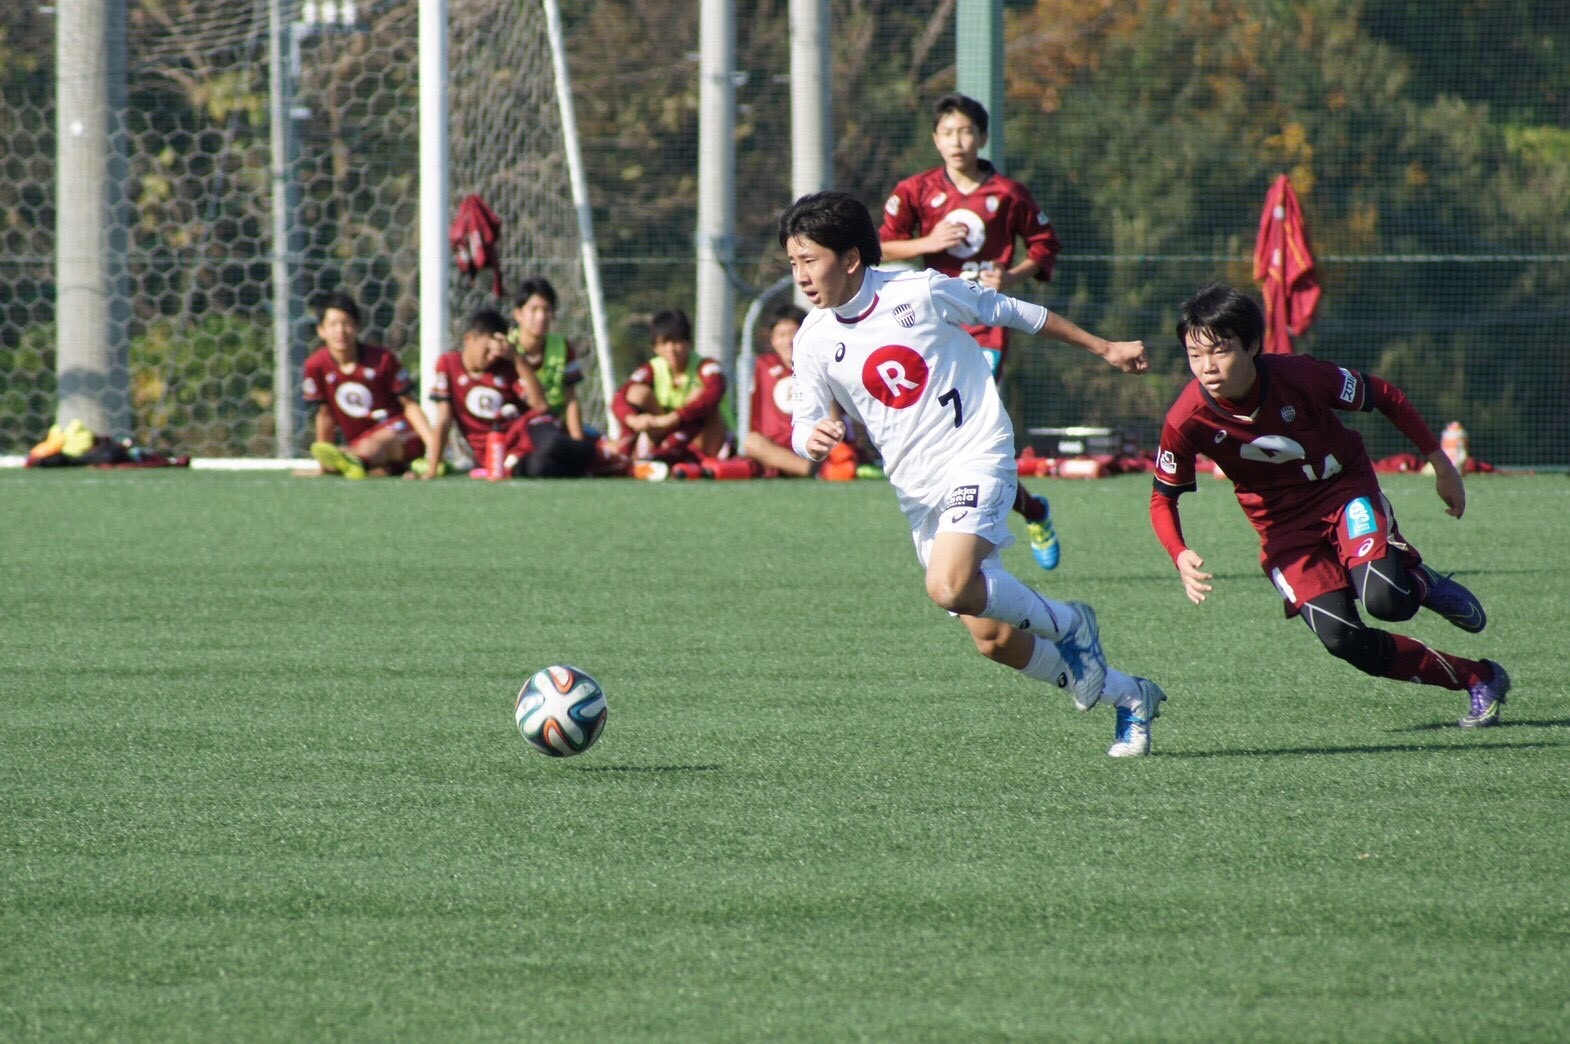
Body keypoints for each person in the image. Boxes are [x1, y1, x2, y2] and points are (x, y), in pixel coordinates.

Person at [781, 190, 1166, 757]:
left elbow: (1011, 311)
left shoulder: (920, 291)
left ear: (851, 257)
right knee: (994, 639)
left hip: (977, 453)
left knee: (947, 585)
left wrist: (1103, 346)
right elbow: (803, 420)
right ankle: (1130, 696)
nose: (800, 275)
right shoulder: (813, 339)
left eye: (809, 260)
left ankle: (1071, 624)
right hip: (917, 491)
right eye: (793, 262)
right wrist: (810, 438)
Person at [1150, 283, 1509, 728]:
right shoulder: (1186, 418)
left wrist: (1441, 464)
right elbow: (1162, 499)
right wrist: (1179, 553)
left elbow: (1384, 395)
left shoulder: (1299, 375)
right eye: (1195, 355)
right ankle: (1479, 677)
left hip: (1343, 492)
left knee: (1387, 600)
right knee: (1342, 639)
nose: (1207, 367)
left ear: (1253, 344)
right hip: (1283, 531)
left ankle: (1419, 581)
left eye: (1219, 351)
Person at [879, 92, 1064, 570]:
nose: (957, 141)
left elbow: (1044, 245)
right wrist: (929, 241)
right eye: (947, 132)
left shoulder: (1007, 193)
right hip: (932, 324)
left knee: (970, 430)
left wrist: (1012, 278)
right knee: (947, 435)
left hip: (986, 327)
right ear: (935, 139)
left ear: (981, 137)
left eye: (966, 131)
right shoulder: (915, 190)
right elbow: (880, 247)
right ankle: (1032, 509)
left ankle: (974, 536)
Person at [301, 291, 436, 479]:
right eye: (333, 324)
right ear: (321, 330)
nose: (340, 331)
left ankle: (357, 461)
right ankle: (376, 466)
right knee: (363, 448)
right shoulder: (316, 365)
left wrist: (434, 449)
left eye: (346, 323)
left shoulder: (382, 359)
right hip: (360, 443)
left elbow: (410, 405)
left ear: (357, 326)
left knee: (371, 446)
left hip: (399, 431)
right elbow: (324, 415)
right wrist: (323, 464)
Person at [610, 308, 732, 477]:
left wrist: (675, 417)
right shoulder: (652, 368)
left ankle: (688, 459)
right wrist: (633, 419)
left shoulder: (706, 367)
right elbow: (619, 397)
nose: (671, 349)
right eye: (664, 343)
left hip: (705, 438)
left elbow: (714, 392)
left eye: (677, 342)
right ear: (655, 347)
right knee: (636, 392)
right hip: (665, 432)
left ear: (688, 342)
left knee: (699, 396)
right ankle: (625, 456)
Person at [508, 277, 589, 440]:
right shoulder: (507, 349)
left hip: (557, 427)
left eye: (546, 310)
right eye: (534, 309)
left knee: (607, 450)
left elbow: (571, 399)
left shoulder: (563, 346)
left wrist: (578, 443)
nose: (541, 316)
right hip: (519, 431)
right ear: (518, 314)